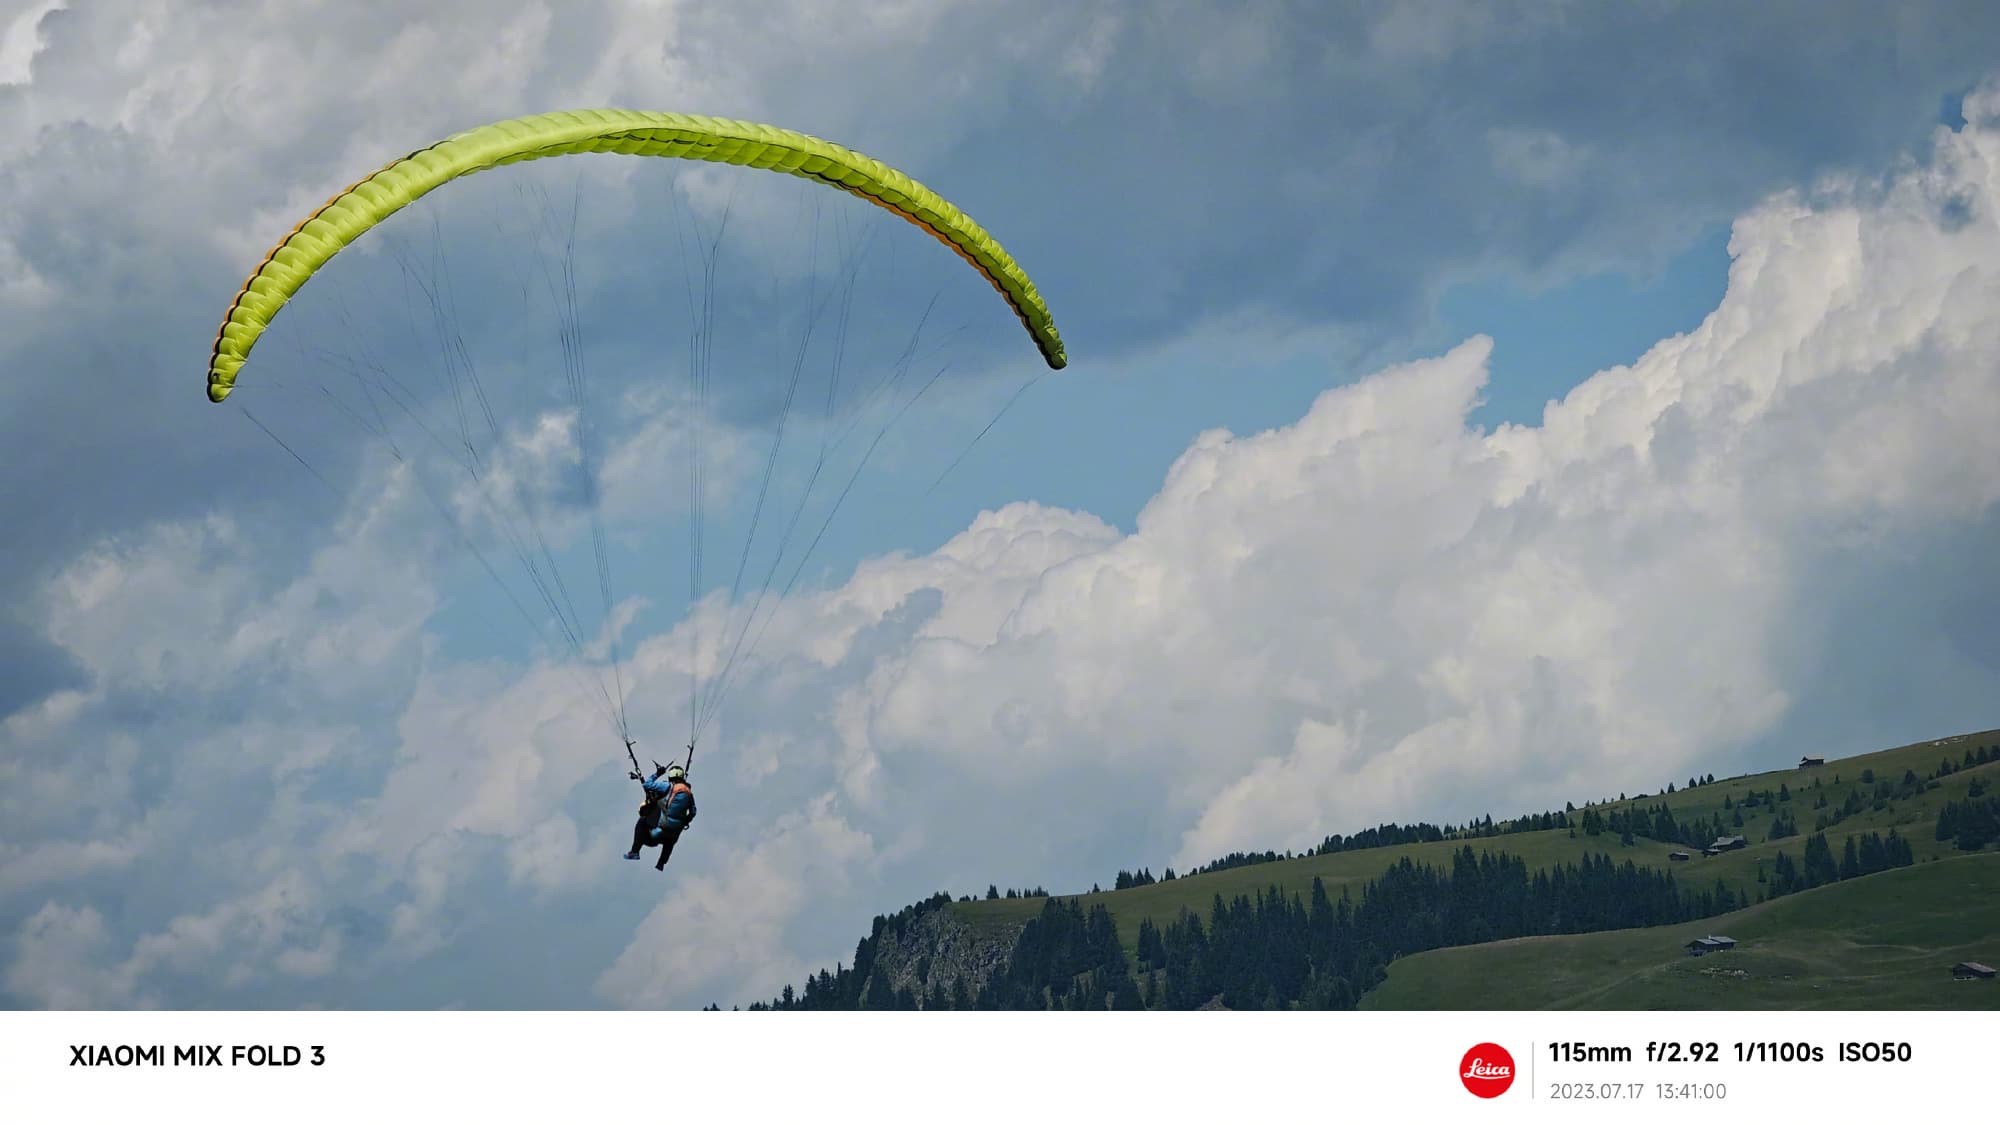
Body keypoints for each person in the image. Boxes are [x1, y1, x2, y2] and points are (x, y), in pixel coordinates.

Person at [624, 763, 696, 871]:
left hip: (661, 827)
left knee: (642, 822)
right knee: (671, 840)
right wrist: (685, 821)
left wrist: (657, 773)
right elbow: (693, 812)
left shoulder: (668, 786)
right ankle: (661, 863)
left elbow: (647, 785)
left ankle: (634, 852)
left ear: (670, 777)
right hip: (673, 833)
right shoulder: (689, 793)